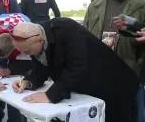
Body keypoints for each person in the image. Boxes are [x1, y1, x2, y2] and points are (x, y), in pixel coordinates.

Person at [10, 19, 138, 122]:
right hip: (89, 87)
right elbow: (41, 67)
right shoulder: (37, 39)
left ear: (39, 40)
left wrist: (50, 95)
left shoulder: (68, 30)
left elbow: (77, 68)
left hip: (115, 86)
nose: (27, 55)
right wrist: (28, 81)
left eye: (27, 51)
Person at [83, 0, 145, 122]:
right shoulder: (95, 5)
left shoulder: (142, 5)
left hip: (131, 74)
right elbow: (84, 36)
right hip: (100, 74)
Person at [0, 13, 33, 122]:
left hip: (22, 28)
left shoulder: (26, 40)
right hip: (2, 21)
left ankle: (15, 119)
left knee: (16, 86)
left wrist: (11, 69)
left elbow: (31, 65)